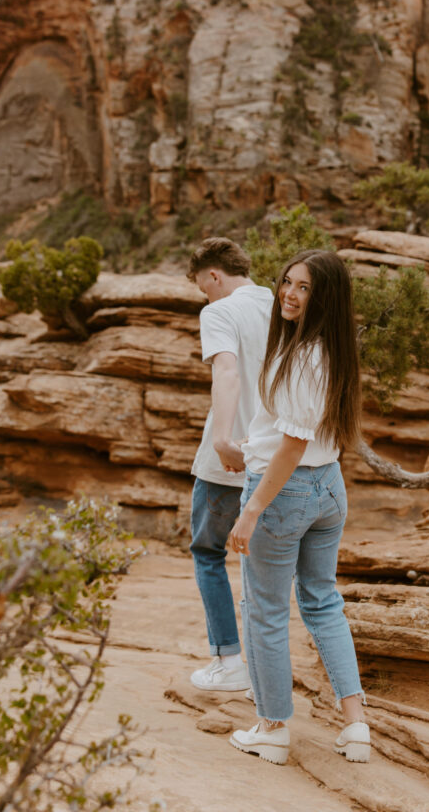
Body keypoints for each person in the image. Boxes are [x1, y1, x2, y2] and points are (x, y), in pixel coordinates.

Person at [227, 249, 370, 765]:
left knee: (264, 608)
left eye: (304, 287)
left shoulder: (304, 356)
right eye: (287, 282)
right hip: (327, 486)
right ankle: (355, 724)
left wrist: (252, 509)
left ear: (324, 296)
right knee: (321, 600)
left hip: (283, 491)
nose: (289, 293)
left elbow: (290, 444)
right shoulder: (330, 350)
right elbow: (300, 436)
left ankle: (272, 727)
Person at [187, 237, 273, 692]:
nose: (205, 295)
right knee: (265, 567)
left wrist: (222, 440)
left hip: (230, 461)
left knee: (208, 555)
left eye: (204, 286)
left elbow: (227, 370)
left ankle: (229, 661)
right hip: (278, 459)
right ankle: (267, 671)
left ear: (214, 275)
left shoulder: (219, 312)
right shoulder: (279, 303)